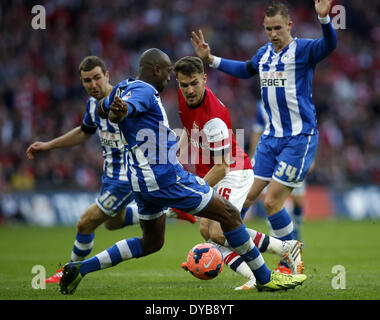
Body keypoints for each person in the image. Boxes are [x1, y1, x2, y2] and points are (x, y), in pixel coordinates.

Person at [59, 48, 307, 295]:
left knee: (152, 242)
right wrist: (123, 111)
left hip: (140, 180)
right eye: (169, 73)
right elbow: (132, 106)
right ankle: (265, 278)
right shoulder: (145, 91)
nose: (171, 80)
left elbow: (105, 106)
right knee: (229, 215)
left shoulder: (123, 86)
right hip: (165, 177)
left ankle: (80, 268)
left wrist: (112, 110)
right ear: (156, 69)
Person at [26, 56, 194, 283]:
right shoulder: (93, 105)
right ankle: (172, 211)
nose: (93, 84)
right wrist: (49, 145)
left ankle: (69, 271)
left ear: (107, 76)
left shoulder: (126, 96)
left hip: (128, 174)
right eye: (87, 80)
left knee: (85, 222)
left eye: (97, 78)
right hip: (111, 175)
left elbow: (150, 124)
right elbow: (84, 131)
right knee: (112, 222)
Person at [191, 1, 337, 250]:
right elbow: (245, 69)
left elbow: (329, 45)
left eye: (278, 28)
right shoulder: (264, 54)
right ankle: (233, 251)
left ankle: (291, 259)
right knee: (246, 196)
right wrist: (211, 59)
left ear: (289, 26)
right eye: (268, 29)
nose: (273, 34)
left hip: (298, 138)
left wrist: (324, 19)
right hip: (270, 139)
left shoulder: (302, 51)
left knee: (271, 202)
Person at [173, 56, 303, 290]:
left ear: (204, 78)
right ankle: (264, 267)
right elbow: (188, 127)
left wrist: (195, 190)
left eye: (194, 83)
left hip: (233, 172)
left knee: (220, 230)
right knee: (208, 232)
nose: (189, 90)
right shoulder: (184, 100)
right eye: (184, 85)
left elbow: (222, 167)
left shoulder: (214, 118)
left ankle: (277, 255)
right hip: (213, 172)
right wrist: (176, 154)